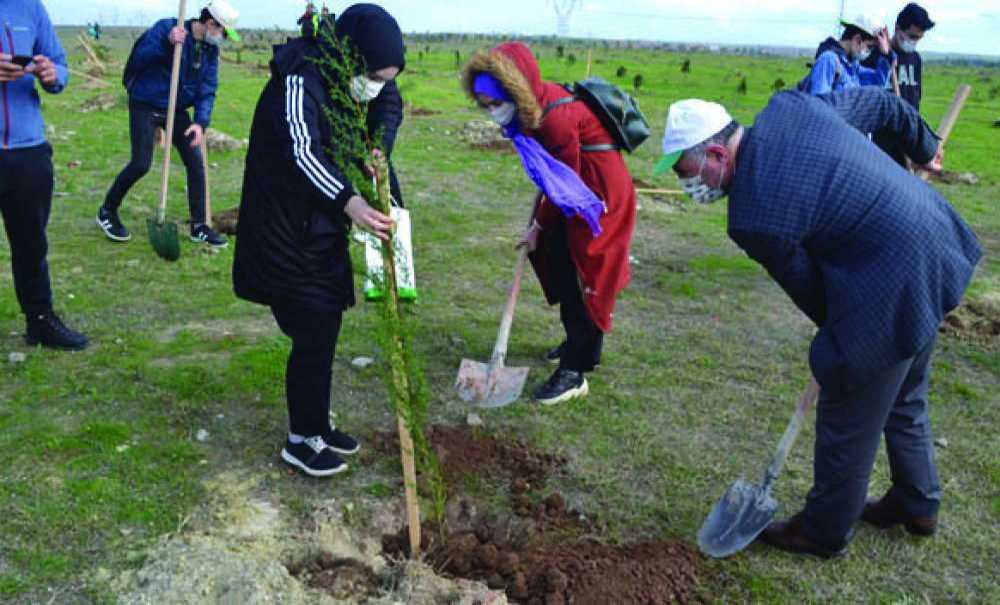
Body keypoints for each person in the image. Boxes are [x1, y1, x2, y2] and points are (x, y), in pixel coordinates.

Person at [654, 88, 981, 557]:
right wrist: (924, 144)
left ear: (717, 153)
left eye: (689, 175)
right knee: (904, 390)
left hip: (891, 276)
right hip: (933, 243)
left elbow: (815, 294)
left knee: (848, 403)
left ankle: (823, 531)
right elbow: (882, 103)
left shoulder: (751, 216)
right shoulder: (794, 107)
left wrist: (841, 351)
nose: (690, 189)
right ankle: (917, 502)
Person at [232, 4, 404, 478]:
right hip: (281, 223)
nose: (375, 85)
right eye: (372, 75)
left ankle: (317, 425)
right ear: (350, 56)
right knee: (311, 326)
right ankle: (300, 439)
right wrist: (349, 200)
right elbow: (301, 151)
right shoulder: (299, 80)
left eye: (385, 77)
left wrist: (376, 145)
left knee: (325, 320)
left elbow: (387, 104)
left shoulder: (348, 74)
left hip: (320, 222)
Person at [462, 42, 636, 405]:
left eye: (497, 101)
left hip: (597, 196)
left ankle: (576, 370)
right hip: (572, 187)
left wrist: (539, 226)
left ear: (517, 89)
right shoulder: (529, 109)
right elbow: (554, 177)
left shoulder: (554, 118)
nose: (492, 111)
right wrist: (543, 227)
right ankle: (578, 342)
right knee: (559, 261)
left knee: (588, 273)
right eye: (485, 104)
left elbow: (566, 185)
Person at [97, 1, 239, 248]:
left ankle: (199, 226)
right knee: (141, 163)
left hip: (176, 108)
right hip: (146, 102)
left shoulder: (210, 51)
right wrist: (167, 43)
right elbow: (138, 59)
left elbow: (208, 89)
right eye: (223, 32)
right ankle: (107, 211)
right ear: (210, 23)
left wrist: (200, 123)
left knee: (196, 162)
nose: (223, 38)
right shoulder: (166, 28)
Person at [0, 0, 88, 350]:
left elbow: (61, 66)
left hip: (28, 151)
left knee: (31, 244)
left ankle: (40, 321)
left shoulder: (30, 8)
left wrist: (53, 75)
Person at [863, 3, 935, 167]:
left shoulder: (915, 59)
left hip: (905, 136)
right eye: (911, 36)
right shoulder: (875, 57)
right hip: (879, 138)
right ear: (897, 28)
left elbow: (916, 97)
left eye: (919, 38)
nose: (914, 41)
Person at [802, 14, 894, 95]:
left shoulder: (853, 67)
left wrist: (886, 55)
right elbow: (819, 104)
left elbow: (877, 85)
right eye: (869, 47)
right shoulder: (829, 61)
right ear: (857, 40)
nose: (869, 52)